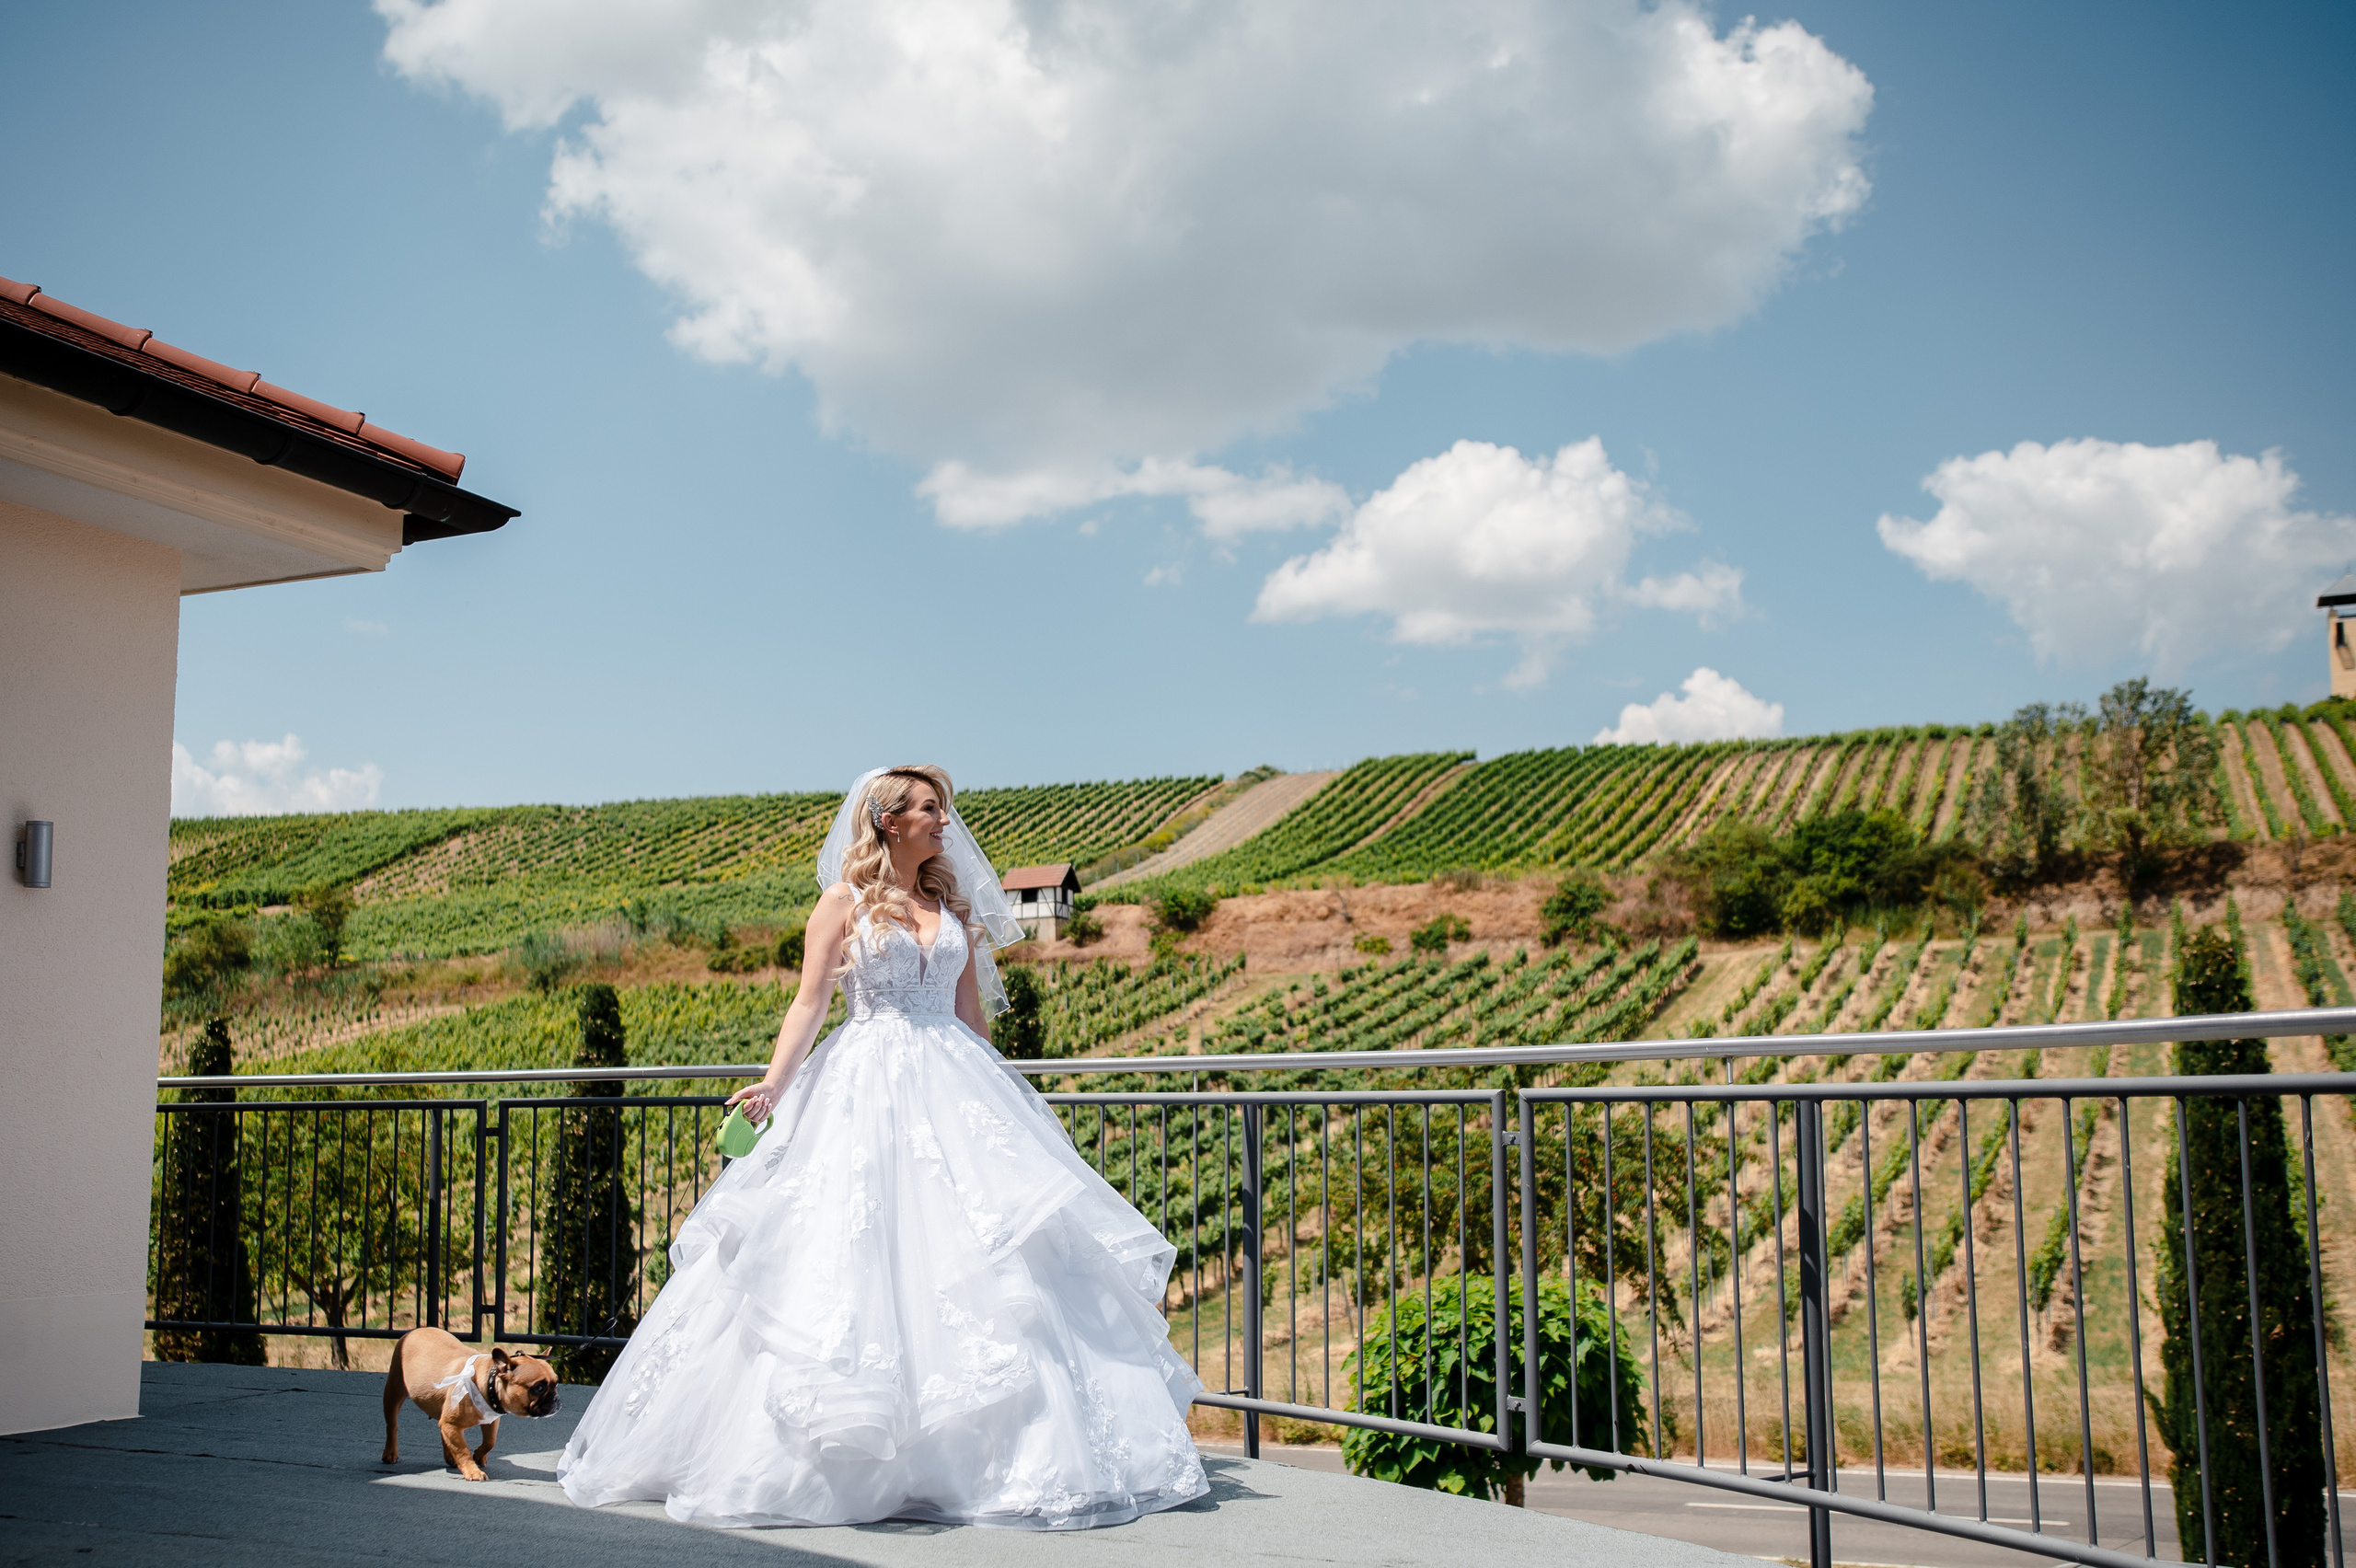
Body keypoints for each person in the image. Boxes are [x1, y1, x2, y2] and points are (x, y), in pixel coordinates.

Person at [557, 766, 1207, 1528]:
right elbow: (810, 1002)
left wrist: (1004, 1108)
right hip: (863, 1083)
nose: (945, 823)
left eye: (944, 810)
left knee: (992, 1266)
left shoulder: (949, 906)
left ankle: (994, 1459)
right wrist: (770, 1086)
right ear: (889, 821)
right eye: (931, 810)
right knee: (853, 1254)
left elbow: (972, 1024)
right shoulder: (842, 904)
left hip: (955, 1088)